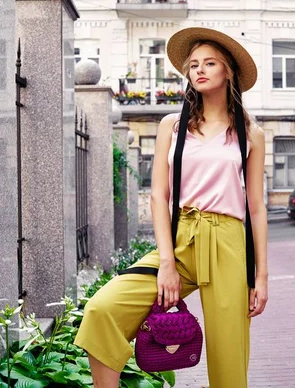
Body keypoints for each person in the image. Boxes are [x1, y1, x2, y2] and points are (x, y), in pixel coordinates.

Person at [74, 27, 268, 388]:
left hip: (229, 245)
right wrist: (166, 262)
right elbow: (158, 196)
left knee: (229, 359)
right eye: (193, 64)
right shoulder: (173, 125)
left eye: (210, 63)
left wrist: (261, 277)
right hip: (180, 241)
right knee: (103, 309)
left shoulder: (250, 133)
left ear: (228, 71)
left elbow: (256, 207)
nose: (199, 70)